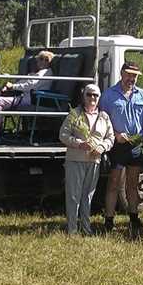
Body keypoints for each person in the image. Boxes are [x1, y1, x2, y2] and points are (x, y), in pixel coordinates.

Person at [98, 61, 143, 239]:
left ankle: (134, 217)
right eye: (129, 75)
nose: (132, 79)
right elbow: (101, 121)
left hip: (137, 143)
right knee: (114, 183)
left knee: (132, 183)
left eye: (135, 76)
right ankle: (109, 219)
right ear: (122, 73)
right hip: (118, 144)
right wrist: (115, 134)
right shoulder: (108, 95)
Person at [59, 84, 114, 235]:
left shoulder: (104, 116)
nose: (92, 98)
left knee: (88, 195)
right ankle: (72, 229)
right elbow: (63, 135)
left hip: (94, 161)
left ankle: (86, 228)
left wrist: (102, 147)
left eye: (95, 95)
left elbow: (111, 137)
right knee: (73, 195)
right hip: (75, 159)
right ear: (84, 96)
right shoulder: (74, 114)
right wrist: (78, 143)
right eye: (89, 94)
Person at [0, 50, 54, 133]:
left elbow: (30, 85)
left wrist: (13, 86)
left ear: (46, 60)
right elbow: (24, 82)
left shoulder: (45, 73)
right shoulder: (39, 73)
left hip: (31, 99)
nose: (37, 62)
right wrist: (10, 86)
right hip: (26, 97)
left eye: (40, 59)